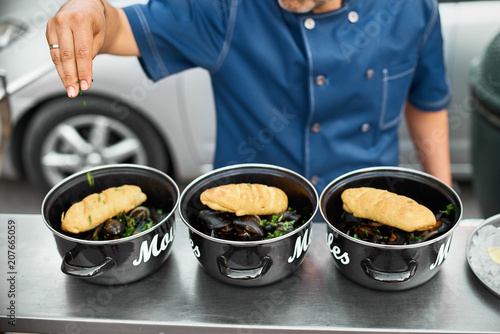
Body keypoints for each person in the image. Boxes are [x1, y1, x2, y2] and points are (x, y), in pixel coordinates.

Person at [46, 0, 452, 193]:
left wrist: (446, 200)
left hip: (367, 215)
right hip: (248, 227)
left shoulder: (411, 9)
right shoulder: (227, 10)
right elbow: (119, 27)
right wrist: (92, 9)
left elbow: (427, 104)